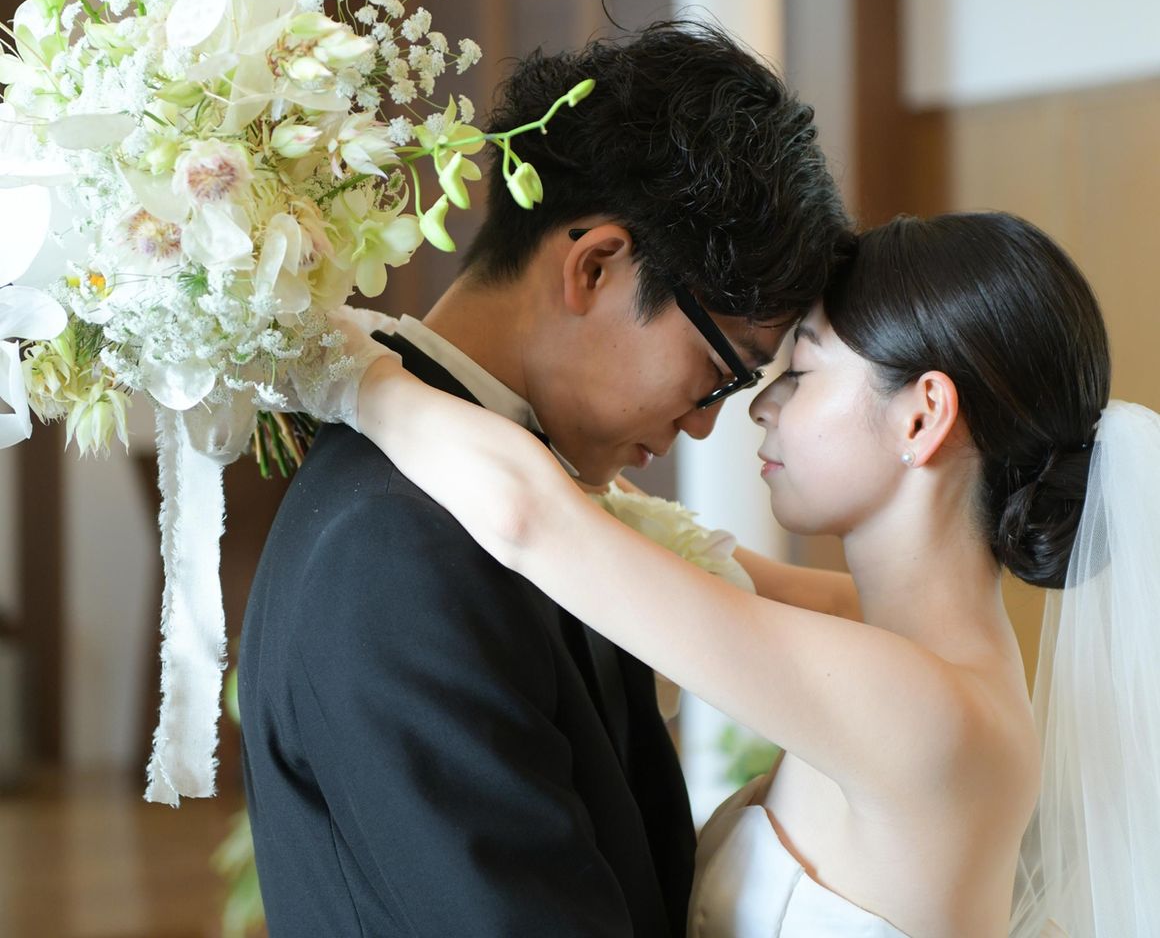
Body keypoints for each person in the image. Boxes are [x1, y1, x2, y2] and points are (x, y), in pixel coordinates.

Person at [343, 210, 1159, 937]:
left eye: (799, 374)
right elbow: (645, 537)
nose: (762, 407)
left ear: (922, 415)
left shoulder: (923, 710)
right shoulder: (886, 639)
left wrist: (342, 366)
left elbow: (536, 523)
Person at [238, 20, 851, 937]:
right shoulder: (396, 547)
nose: (704, 422)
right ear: (595, 267)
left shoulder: (512, 494)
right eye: (722, 369)